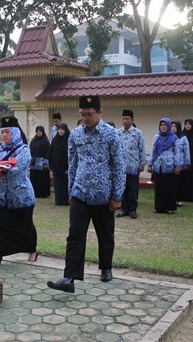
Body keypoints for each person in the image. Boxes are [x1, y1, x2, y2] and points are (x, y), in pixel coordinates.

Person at [47, 95, 126, 293]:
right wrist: (70, 190)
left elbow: (118, 165)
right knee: (75, 234)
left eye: (89, 114)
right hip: (80, 192)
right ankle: (69, 278)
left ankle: (106, 267)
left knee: (105, 233)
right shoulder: (75, 135)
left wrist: (117, 195)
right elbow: (72, 163)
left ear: (100, 112)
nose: (85, 118)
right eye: (82, 114)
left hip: (103, 194)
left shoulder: (111, 134)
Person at [0, 116, 38, 268]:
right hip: (1, 195)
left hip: (21, 195)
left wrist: (4, 168)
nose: (4, 135)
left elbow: (18, 168)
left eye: (7, 132)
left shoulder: (24, 149)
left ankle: (32, 250)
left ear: (15, 132)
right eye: (2, 132)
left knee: (25, 226)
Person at [116, 109, 146, 219]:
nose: (125, 121)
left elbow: (142, 149)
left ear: (132, 120)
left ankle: (133, 210)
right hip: (121, 167)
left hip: (134, 166)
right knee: (123, 189)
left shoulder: (138, 133)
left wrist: (142, 164)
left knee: (132, 189)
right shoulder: (117, 132)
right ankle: (124, 209)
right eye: (123, 118)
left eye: (127, 119)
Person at [147, 118, 180, 214]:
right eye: (161, 125)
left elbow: (177, 153)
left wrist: (177, 165)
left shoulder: (174, 137)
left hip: (169, 165)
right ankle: (159, 207)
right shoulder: (157, 137)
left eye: (165, 125)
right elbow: (153, 151)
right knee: (159, 188)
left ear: (168, 126)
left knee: (169, 187)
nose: (163, 127)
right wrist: (150, 164)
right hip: (158, 166)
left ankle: (169, 207)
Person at [49, 123, 70, 206]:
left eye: (62, 129)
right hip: (56, 167)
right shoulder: (55, 140)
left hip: (66, 167)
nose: (61, 131)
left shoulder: (69, 140)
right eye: (59, 129)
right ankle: (59, 200)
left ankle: (66, 200)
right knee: (58, 185)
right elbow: (51, 153)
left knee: (65, 185)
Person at [172, 120, 190, 207]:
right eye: (171, 126)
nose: (173, 128)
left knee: (180, 182)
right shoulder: (169, 137)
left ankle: (179, 199)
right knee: (172, 183)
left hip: (181, 163)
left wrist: (187, 162)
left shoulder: (183, 138)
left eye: (175, 126)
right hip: (171, 164)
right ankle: (172, 198)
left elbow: (187, 151)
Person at [29, 125, 51, 198]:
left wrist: (46, 162)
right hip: (34, 162)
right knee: (34, 178)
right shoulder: (33, 140)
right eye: (37, 131)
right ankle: (34, 192)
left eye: (40, 131)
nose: (39, 133)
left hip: (42, 163)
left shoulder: (45, 141)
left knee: (42, 178)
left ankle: (43, 193)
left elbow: (48, 152)